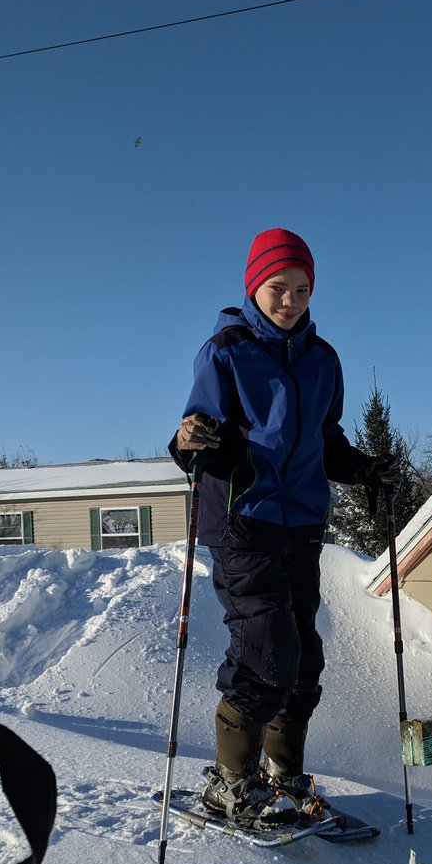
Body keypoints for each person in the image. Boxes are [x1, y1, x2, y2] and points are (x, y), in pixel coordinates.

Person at [170, 228, 398, 831]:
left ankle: (282, 776)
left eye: (301, 289)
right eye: (278, 288)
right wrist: (187, 441)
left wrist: (363, 469)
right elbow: (196, 430)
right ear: (254, 285)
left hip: (301, 525)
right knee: (266, 652)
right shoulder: (227, 350)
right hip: (243, 521)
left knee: (303, 659)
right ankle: (230, 785)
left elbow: (326, 441)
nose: (290, 300)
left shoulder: (324, 360)